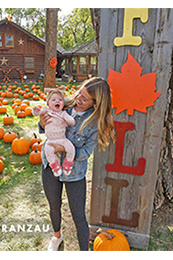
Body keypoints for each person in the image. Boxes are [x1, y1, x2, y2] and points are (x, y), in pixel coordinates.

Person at [38, 77, 115, 251]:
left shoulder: (95, 123)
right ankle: (57, 237)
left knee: (79, 217)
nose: (78, 98)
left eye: (84, 98)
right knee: (54, 206)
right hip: (51, 165)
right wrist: (41, 123)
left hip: (75, 172)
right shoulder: (63, 103)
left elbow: (86, 153)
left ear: (95, 103)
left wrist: (63, 150)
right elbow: (45, 124)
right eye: (80, 92)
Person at [33, 89, 75, 176]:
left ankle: (68, 164)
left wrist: (70, 120)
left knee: (71, 148)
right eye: (54, 100)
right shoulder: (46, 111)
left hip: (62, 139)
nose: (57, 101)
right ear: (48, 104)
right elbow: (37, 114)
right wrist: (36, 110)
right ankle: (55, 166)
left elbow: (69, 118)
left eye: (60, 100)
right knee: (48, 151)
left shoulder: (63, 113)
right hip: (51, 141)